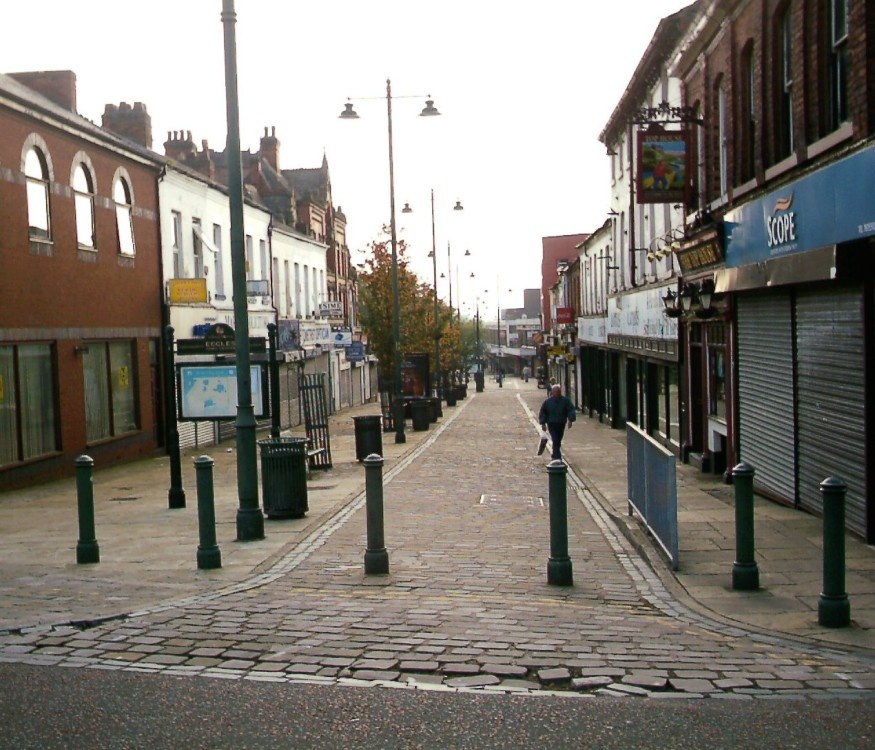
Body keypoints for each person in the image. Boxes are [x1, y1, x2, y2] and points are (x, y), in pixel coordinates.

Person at [538, 383, 576, 461]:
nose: (557, 393)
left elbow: (571, 410)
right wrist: (543, 423)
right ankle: (557, 457)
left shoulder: (565, 401)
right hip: (551, 423)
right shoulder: (548, 402)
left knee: (558, 439)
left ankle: (554, 454)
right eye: (555, 391)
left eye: (558, 391)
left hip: (561, 423)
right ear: (552, 392)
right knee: (555, 439)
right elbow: (543, 412)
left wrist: (570, 420)